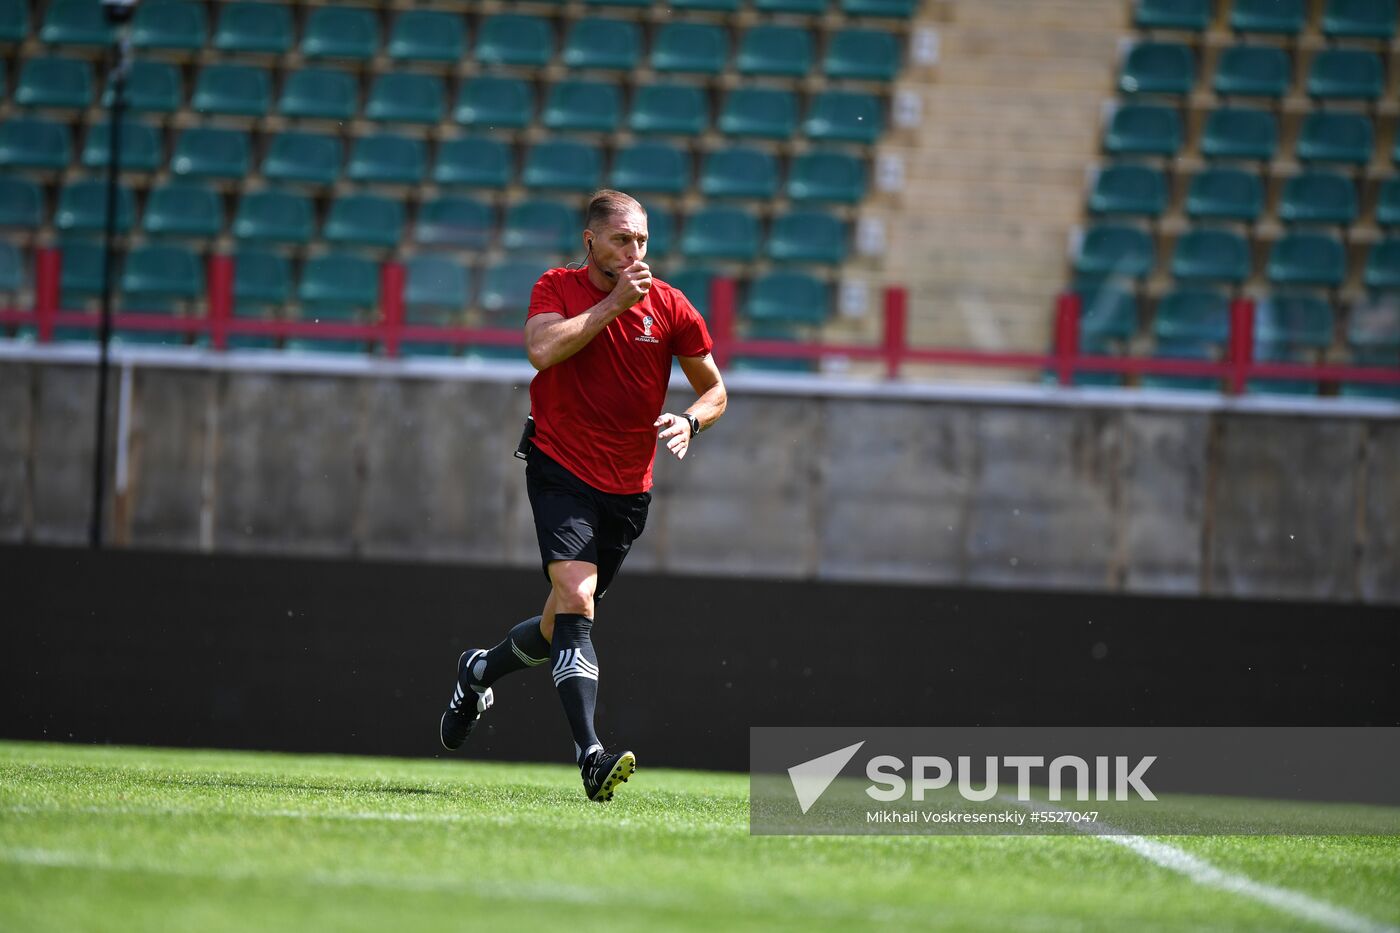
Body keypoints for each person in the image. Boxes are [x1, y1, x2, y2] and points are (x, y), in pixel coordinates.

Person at [439, 189, 728, 803]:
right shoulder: (557, 288)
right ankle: (591, 755)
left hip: (628, 490)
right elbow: (542, 351)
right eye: (623, 239)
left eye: (643, 240)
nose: (635, 252)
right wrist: (615, 304)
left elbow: (716, 389)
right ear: (591, 241)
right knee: (577, 597)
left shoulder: (672, 306)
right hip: (560, 468)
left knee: (559, 626)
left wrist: (692, 420)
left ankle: (479, 671)